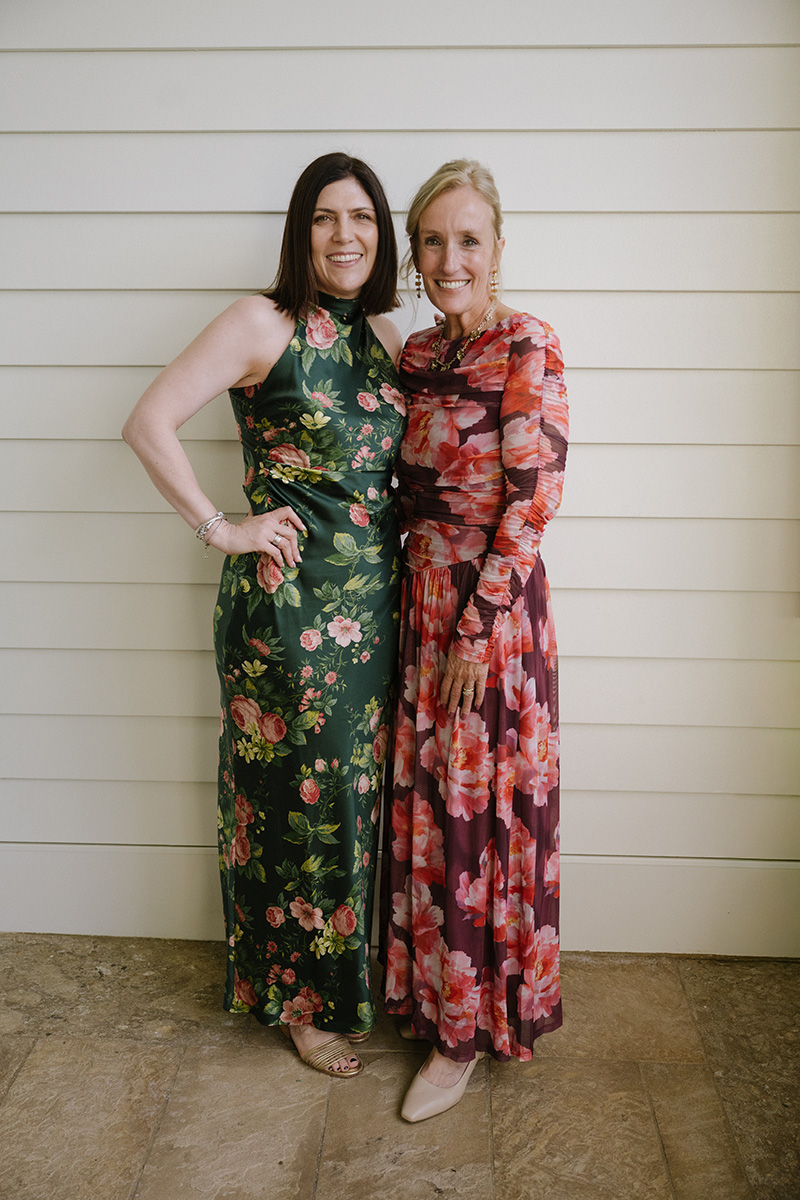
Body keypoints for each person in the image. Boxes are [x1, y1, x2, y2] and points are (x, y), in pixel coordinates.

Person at [123, 153, 407, 1078]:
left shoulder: (386, 337)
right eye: (324, 218)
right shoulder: (262, 321)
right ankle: (300, 1004)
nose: (345, 235)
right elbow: (148, 422)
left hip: (373, 618)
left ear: (382, 233)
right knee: (294, 805)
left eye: (361, 217)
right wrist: (222, 528)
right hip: (286, 615)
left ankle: (347, 981)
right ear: (300, 231)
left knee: (352, 803)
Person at [380, 159, 568, 1120]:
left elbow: (532, 504)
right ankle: (428, 1002)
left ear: (496, 247)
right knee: (427, 810)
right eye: (433, 240)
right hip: (417, 602)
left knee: (474, 814)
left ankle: (466, 1032)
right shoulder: (414, 353)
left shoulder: (527, 343)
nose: (450, 259)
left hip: (486, 619)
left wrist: (472, 632)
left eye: (468, 240)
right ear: (415, 254)